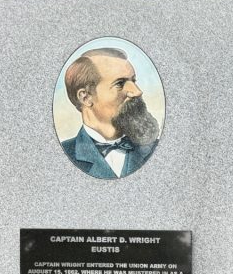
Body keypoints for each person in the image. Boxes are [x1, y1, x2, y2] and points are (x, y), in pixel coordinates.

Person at [60, 47, 160, 179]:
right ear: (85, 97)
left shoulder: (155, 148)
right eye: (120, 83)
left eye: (133, 81)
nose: (137, 91)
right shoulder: (65, 154)